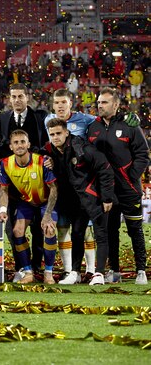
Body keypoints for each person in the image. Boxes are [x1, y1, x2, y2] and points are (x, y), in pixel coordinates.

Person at [88, 88, 149, 285]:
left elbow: (142, 154)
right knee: (111, 230)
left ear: (115, 105)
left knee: (135, 230)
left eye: (104, 102)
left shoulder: (130, 125)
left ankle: (141, 270)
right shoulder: (93, 127)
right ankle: (114, 270)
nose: (100, 106)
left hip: (129, 190)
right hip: (107, 192)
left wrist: (131, 177)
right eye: (98, 102)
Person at [44, 118, 115, 285]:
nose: (55, 137)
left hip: (95, 198)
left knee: (101, 235)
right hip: (76, 202)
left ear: (67, 132)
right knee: (77, 234)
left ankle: (99, 274)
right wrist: (46, 157)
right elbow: (35, 151)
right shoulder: (52, 151)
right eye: (52, 134)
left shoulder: (81, 148)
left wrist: (106, 197)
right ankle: (75, 272)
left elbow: (105, 168)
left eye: (58, 133)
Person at [44, 88, 98, 277]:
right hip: (63, 182)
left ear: (70, 103)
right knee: (63, 228)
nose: (60, 106)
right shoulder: (48, 121)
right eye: (57, 102)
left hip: (83, 182)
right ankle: (69, 271)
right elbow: (50, 146)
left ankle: (91, 270)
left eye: (63, 102)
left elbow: (101, 127)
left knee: (86, 230)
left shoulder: (85, 119)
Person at [0, 129, 59, 284]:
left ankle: (48, 273)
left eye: (23, 141)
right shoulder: (6, 164)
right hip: (26, 202)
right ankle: (28, 272)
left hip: (45, 201)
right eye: (16, 142)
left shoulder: (41, 161)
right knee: (17, 231)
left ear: (28, 144)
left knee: (49, 229)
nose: (20, 145)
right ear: (11, 146)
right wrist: (3, 210)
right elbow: (3, 189)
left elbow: (54, 188)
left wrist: (48, 214)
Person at [0, 84, 49, 151]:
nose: (17, 100)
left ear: (27, 97)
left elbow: (46, 142)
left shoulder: (40, 117)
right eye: (14, 97)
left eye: (20, 96)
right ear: (10, 99)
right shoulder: (3, 118)